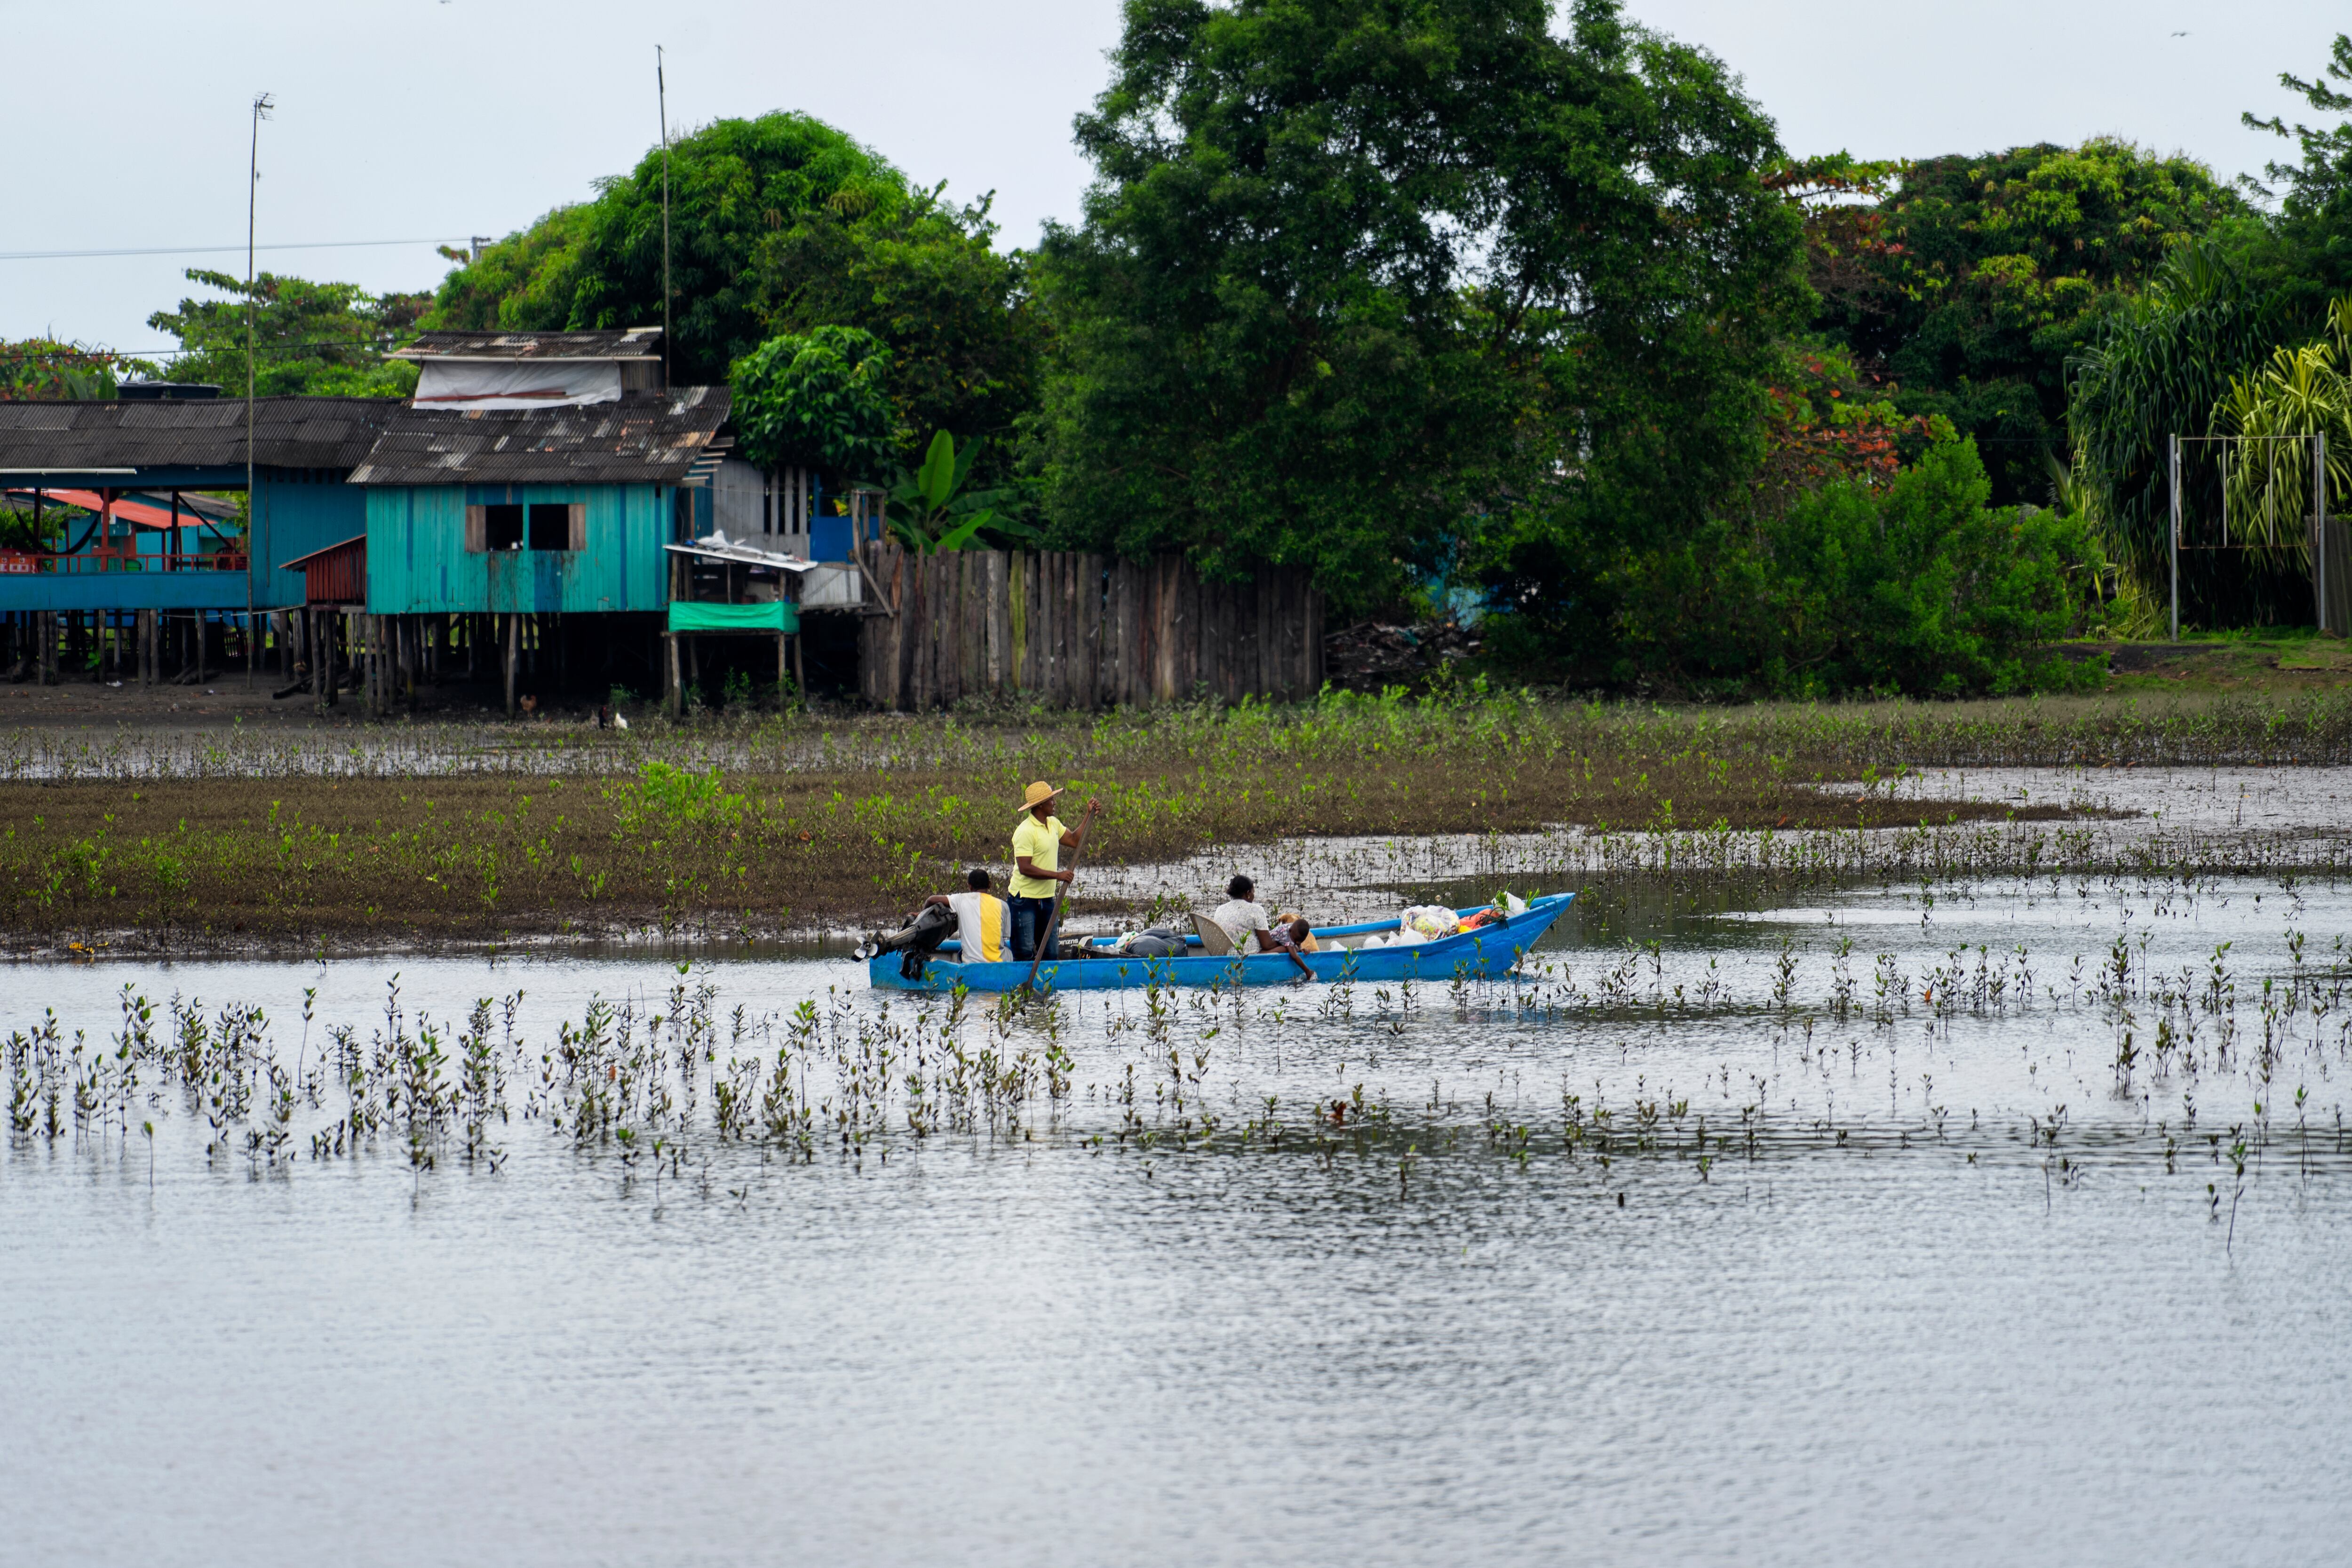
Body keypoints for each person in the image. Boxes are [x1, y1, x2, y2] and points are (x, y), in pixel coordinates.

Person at [1009, 780, 1098, 962]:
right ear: (1040, 805)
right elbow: (1025, 868)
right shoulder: (1025, 831)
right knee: (1024, 952)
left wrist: (1088, 815)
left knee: (1050, 953)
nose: (1055, 803)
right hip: (1024, 900)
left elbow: (1074, 841)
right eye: (1051, 800)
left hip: (1047, 900)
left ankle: (1047, 990)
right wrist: (1058, 876)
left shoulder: (1053, 824)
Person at [924, 868, 1010, 963]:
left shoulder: (961, 900)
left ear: (969, 886)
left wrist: (921, 915)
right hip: (1000, 963)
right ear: (990, 885)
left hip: (971, 963)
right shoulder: (1003, 905)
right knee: (1006, 946)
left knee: (962, 952)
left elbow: (931, 900)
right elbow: (1005, 936)